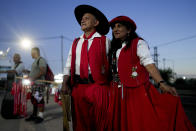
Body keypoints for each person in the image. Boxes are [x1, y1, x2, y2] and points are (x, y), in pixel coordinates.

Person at [109, 16, 195, 131]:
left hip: (136, 92)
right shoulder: (115, 49)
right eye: (113, 27)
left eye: (119, 26)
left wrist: (161, 83)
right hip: (118, 92)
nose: (115, 29)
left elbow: (149, 64)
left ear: (129, 29)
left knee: (141, 123)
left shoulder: (138, 43)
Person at [61, 5, 111, 131]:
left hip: (97, 87)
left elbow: (112, 63)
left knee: (99, 123)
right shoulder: (76, 42)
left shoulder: (104, 41)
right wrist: (64, 83)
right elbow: (68, 65)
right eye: (82, 19)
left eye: (87, 18)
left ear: (96, 22)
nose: (82, 20)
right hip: (78, 87)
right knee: (80, 123)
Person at [25, 47, 47, 124]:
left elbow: (43, 71)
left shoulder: (41, 60)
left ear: (34, 52)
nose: (31, 54)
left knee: (39, 100)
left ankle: (40, 116)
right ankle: (34, 115)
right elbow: (36, 72)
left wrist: (32, 77)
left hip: (39, 84)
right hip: (34, 84)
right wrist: (29, 73)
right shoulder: (35, 61)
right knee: (34, 100)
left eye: (31, 53)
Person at [0, 53, 25, 117]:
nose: (14, 58)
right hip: (12, 85)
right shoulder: (14, 65)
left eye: (16, 57)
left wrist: (3, 71)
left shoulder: (21, 65)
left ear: (19, 58)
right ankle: (12, 112)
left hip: (18, 85)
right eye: (14, 57)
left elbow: (15, 71)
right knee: (12, 100)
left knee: (17, 100)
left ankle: (19, 113)